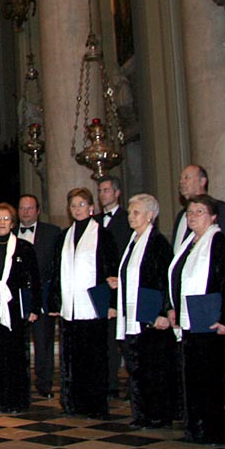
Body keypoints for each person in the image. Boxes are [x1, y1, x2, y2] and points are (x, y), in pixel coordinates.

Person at [168, 194, 225, 444]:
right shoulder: (189, 244)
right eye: (190, 212)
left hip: (214, 321)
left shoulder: (219, 242)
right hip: (192, 318)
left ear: (213, 216)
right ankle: (198, 428)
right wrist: (174, 307)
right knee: (195, 377)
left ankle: (218, 430)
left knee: (214, 379)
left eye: (199, 212)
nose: (192, 216)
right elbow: (179, 279)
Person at [48, 187, 119, 419]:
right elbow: (56, 273)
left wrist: (112, 303)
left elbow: (111, 271)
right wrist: (55, 302)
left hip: (93, 306)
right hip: (70, 307)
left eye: (81, 205)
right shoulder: (64, 237)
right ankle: (73, 402)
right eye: (73, 205)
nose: (77, 209)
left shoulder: (103, 235)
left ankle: (95, 404)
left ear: (91, 208)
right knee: (72, 358)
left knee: (94, 357)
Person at [113, 193, 176, 428]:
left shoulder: (158, 243)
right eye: (130, 212)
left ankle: (158, 414)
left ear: (150, 216)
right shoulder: (133, 241)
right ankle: (143, 413)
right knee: (138, 367)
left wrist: (162, 311)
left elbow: (165, 280)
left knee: (154, 368)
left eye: (136, 212)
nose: (131, 216)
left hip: (151, 316)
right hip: (133, 315)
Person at [0, 203, 40, 413]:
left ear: (12, 223)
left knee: (16, 355)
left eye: (6, 219)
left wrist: (34, 308)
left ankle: (16, 399)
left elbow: (33, 279)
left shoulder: (24, 248)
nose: (2, 222)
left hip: (16, 309)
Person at [16, 194, 61, 398]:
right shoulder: (9, 233)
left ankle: (44, 383)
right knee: (18, 341)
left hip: (42, 293)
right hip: (17, 296)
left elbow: (57, 265)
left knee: (44, 340)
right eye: (22, 208)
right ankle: (20, 382)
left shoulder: (52, 232)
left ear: (38, 211)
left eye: (30, 208)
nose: (25, 212)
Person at [96, 176, 131, 398]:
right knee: (105, 339)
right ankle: (109, 383)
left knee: (125, 338)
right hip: (100, 288)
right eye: (100, 190)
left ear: (117, 193)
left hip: (121, 287)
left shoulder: (128, 220)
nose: (102, 194)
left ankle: (134, 384)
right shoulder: (94, 222)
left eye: (106, 190)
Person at [172, 165, 225, 260]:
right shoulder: (181, 216)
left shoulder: (221, 210)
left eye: (186, 177)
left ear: (202, 181)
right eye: (181, 179)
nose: (181, 182)